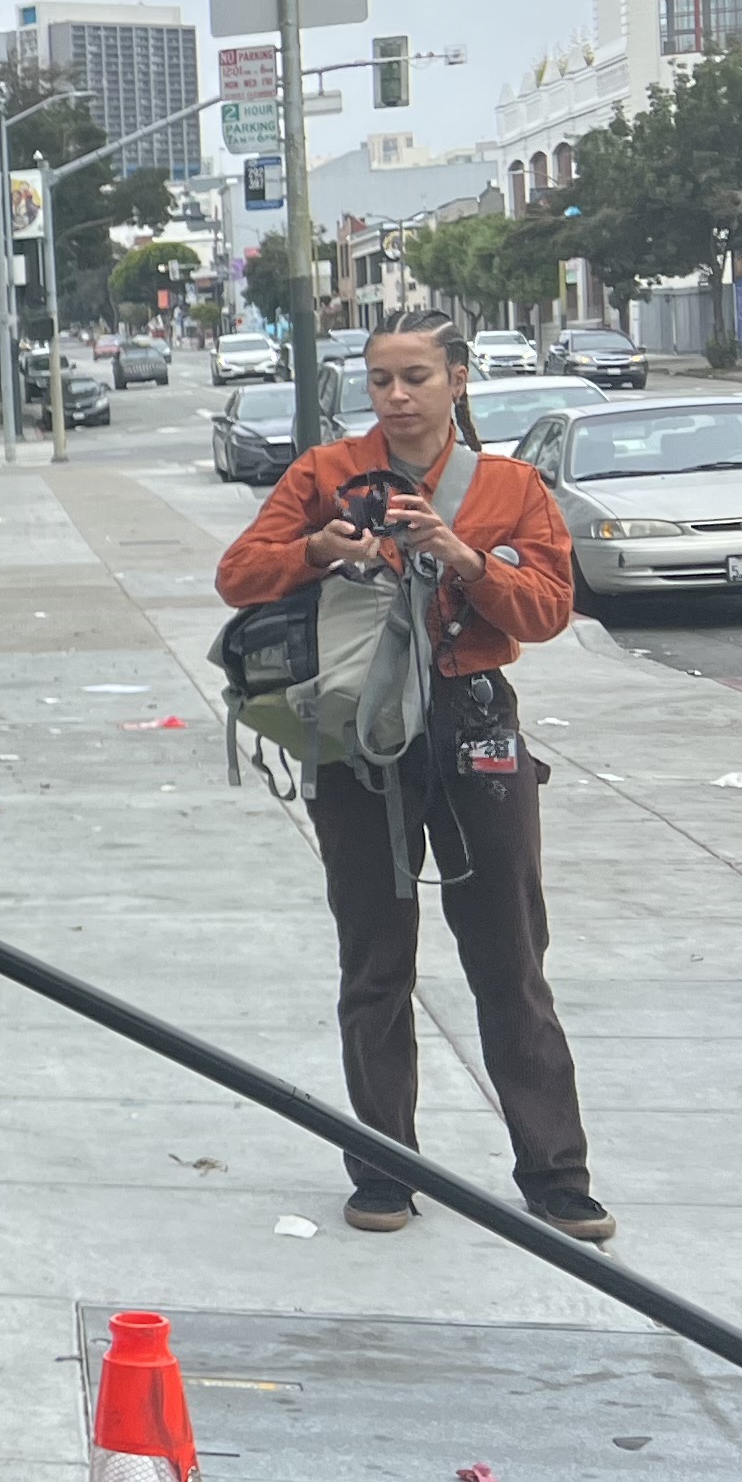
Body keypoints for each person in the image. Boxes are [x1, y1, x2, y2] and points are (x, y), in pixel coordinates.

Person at [213, 309, 605, 1242]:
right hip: (357, 736)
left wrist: (463, 558)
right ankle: (384, 1168)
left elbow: (549, 609)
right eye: (381, 378)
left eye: (416, 377)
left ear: (457, 380)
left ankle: (556, 1174)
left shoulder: (509, 486)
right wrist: (319, 550)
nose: (395, 396)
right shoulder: (325, 474)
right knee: (374, 959)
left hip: (474, 725)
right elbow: (238, 575)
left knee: (510, 957)